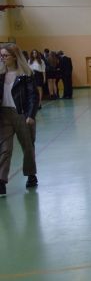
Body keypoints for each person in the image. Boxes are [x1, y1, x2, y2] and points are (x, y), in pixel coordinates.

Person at [0, 43, 39, 197]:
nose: (2, 58)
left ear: (15, 57)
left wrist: (31, 115)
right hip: (4, 115)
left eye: (5, 55)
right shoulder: (1, 74)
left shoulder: (26, 74)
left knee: (28, 146)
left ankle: (31, 175)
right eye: (1, 56)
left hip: (22, 114)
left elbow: (33, 96)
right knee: (5, 149)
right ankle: (1, 181)